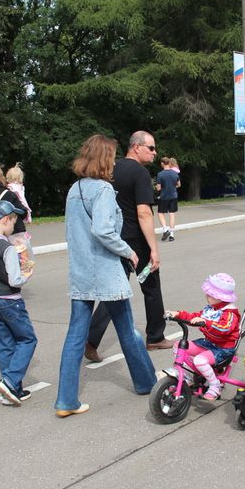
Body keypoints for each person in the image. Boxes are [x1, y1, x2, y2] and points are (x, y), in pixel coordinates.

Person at [56, 134, 158, 417]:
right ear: (104, 158)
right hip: (105, 270)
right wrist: (128, 251)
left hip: (81, 271)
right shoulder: (102, 190)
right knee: (127, 329)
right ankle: (147, 382)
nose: (114, 161)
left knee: (75, 334)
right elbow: (103, 230)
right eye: (111, 156)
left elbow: (71, 233)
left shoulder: (74, 189)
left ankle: (66, 400)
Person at [86, 130, 168, 361]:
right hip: (136, 242)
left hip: (115, 240)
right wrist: (153, 248)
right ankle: (155, 337)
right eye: (151, 148)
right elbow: (144, 212)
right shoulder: (140, 173)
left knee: (115, 290)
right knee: (151, 286)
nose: (155, 153)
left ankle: (90, 340)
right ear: (136, 147)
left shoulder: (111, 170)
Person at [0, 200, 37, 406]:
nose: (14, 226)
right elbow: (15, 279)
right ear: (5, 220)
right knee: (27, 339)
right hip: (10, 301)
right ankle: (11, 381)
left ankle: (12, 390)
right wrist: (27, 273)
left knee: (5, 342)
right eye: (13, 221)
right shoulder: (7, 248)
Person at [165, 273, 240, 401]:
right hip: (208, 344)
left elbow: (224, 329)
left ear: (221, 297)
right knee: (179, 345)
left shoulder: (230, 314)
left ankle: (215, 384)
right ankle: (186, 377)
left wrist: (206, 322)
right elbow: (195, 317)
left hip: (223, 349)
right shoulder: (211, 309)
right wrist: (178, 314)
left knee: (199, 360)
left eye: (211, 294)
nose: (207, 296)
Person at [156, 157, 181, 242]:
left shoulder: (160, 174)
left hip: (164, 197)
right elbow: (179, 184)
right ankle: (172, 235)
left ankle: (165, 229)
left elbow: (158, 188)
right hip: (173, 196)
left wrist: (157, 187)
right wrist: (173, 187)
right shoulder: (174, 173)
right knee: (172, 214)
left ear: (163, 163)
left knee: (160, 213)